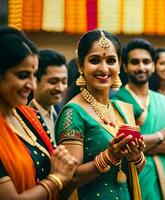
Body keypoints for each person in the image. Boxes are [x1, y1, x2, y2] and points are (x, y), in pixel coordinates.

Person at [55, 29, 145, 200]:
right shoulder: (73, 113)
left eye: (111, 60)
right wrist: (109, 157)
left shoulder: (122, 109)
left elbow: (128, 173)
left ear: (119, 65)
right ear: (81, 65)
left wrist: (136, 157)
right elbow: (68, 178)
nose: (104, 69)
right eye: (95, 60)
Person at [0, 27, 78, 200]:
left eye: (33, 76)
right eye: (22, 75)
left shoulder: (29, 116)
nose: (32, 86)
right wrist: (56, 179)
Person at [114, 38, 165, 200]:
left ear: (153, 65)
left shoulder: (164, 100)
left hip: (164, 174)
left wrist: (139, 145)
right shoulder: (117, 101)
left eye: (146, 62)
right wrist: (159, 136)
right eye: (135, 62)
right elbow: (121, 145)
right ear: (125, 66)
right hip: (135, 172)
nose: (141, 67)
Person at [28, 49, 68, 144]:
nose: (60, 88)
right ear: (35, 81)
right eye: (53, 82)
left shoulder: (62, 113)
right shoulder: (24, 117)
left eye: (64, 82)